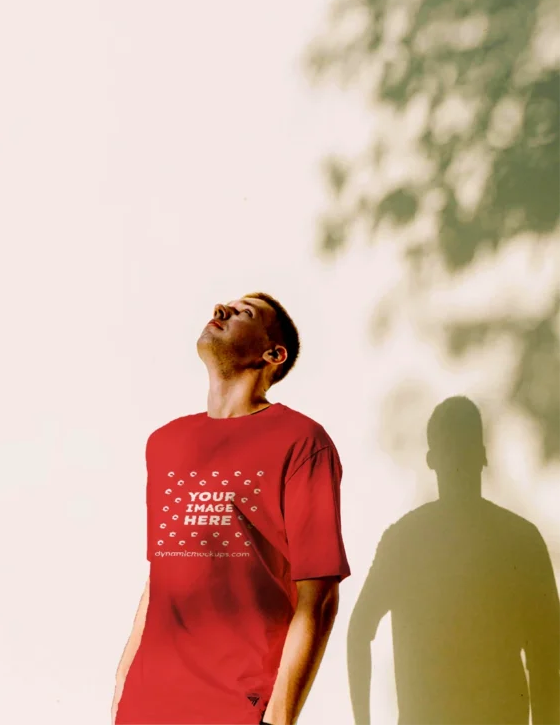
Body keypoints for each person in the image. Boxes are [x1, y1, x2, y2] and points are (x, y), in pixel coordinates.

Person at [112, 291, 351, 725]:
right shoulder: (165, 443)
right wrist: (122, 688)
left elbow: (318, 596)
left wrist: (280, 717)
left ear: (272, 354)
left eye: (244, 313)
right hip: (146, 704)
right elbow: (160, 579)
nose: (220, 311)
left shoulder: (301, 442)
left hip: (236, 707)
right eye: (223, 306)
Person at [347, 396, 560, 725]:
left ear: (432, 460)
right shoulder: (521, 540)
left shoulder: (404, 539)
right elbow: (546, 659)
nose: (459, 459)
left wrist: (363, 722)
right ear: (484, 456)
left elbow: (359, 631)